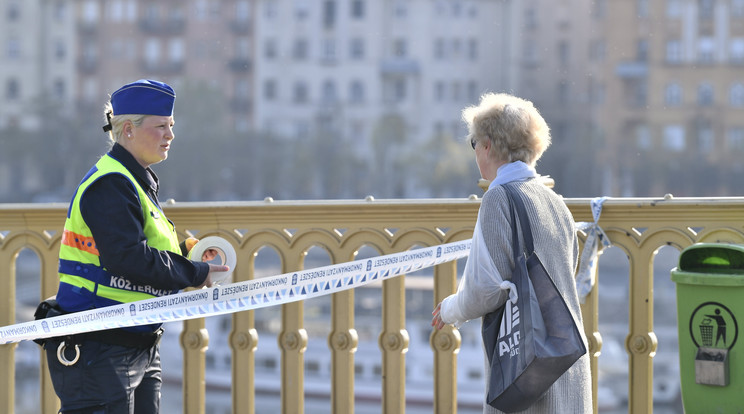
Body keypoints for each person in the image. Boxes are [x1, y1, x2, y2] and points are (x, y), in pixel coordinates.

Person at [44, 79, 229, 414]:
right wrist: (194, 271)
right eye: (161, 127)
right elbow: (127, 258)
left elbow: (143, 244)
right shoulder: (111, 184)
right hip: (98, 348)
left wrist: (188, 251)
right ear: (128, 129)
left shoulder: (132, 179)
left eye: (171, 126)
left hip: (135, 344)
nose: (170, 135)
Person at [431, 92, 592, 413]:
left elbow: (484, 291)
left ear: (487, 145)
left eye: (474, 144)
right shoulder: (556, 203)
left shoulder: (499, 198)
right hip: (569, 362)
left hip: (529, 371)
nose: (475, 152)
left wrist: (449, 310)